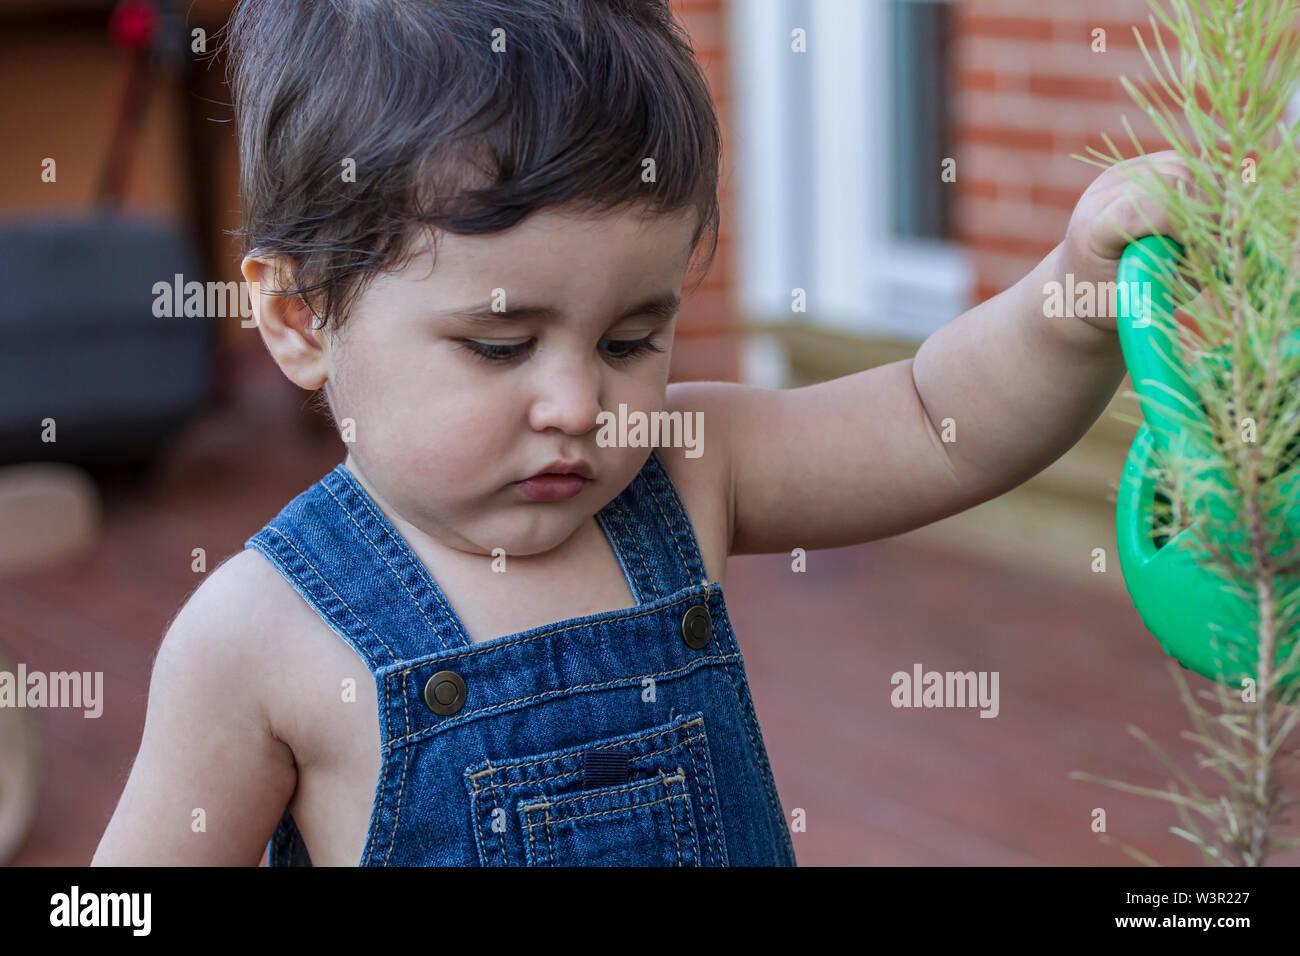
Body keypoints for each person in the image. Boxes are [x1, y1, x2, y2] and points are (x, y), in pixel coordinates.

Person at [92, 0, 1192, 866]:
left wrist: (1071, 295)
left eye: (628, 340)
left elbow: (932, 422)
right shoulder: (256, 635)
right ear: (299, 318)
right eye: (500, 343)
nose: (579, 403)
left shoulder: (692, 475)